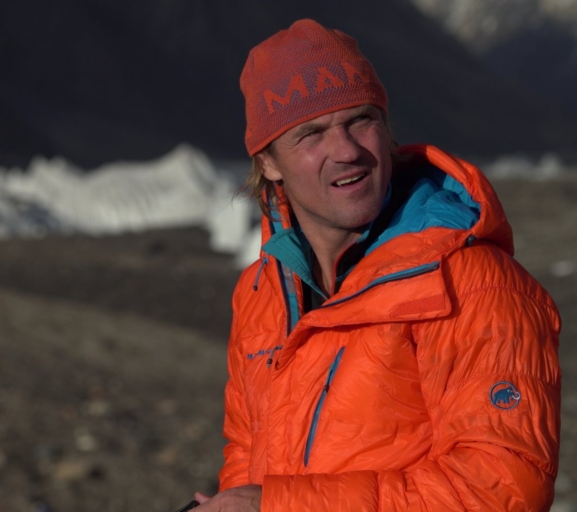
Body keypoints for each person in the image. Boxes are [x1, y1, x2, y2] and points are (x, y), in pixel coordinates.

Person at [191, 19, 561, 511]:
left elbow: (503, 488)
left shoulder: (474, 283)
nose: (347, 151)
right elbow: (247, 452)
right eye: (311, 134)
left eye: (361, 120)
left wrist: (277, 505)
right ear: (270, 163)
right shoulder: (262, 291)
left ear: (386, 131)